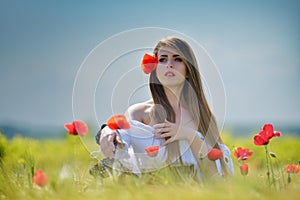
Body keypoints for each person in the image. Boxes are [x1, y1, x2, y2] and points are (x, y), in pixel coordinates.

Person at [95, 37, 233, 181]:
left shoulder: (204, 116)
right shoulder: (139, 112)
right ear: (155, 69)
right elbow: (122, 141)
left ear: (188, 70)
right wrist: (107, 130)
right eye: (163, 59)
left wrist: (190, 135)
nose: (169, 65)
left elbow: (213, 177)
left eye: (177, 59)